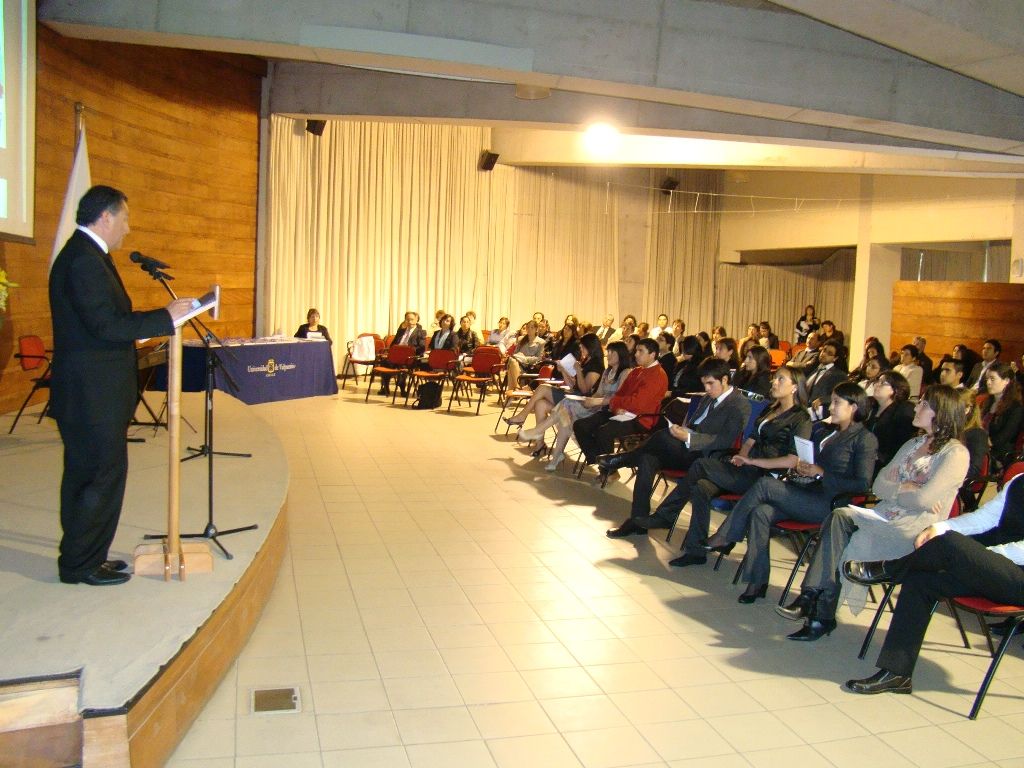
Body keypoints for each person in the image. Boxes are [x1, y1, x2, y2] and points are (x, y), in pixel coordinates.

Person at [49, 185, 191, 586]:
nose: (128, 228)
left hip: (92, 393)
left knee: (89, 476)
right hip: (92, 396)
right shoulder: (83, 261)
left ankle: (86, 555)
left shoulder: (86, 255)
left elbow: (107, 322)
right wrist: (164, 317)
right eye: (124, 218)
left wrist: (154, 322)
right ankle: (81, 564)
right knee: (98, 478)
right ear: (106, 217)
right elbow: (106, 325)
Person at [777, 385, 968, 640]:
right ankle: (814, 603)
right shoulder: (913, 443)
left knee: (842, 537)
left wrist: (899, 488)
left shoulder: (955, 453)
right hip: (882, 515)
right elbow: (878, 485)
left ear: (940, 412)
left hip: (915, 531)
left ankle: (816, 608)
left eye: (923, 404)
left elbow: (925, 500)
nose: (916, 407)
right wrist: (907, 488)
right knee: (839, 517)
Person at [842, 473, 1024, 697]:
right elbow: (983, 519)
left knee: (951, 545)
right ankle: (897, 674)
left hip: (1018, 581)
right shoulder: (1019, 480)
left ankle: (888, 570)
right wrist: (940, 527)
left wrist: (974, 557)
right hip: (994, 571)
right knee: (920, 580)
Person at [702, 383, 878, 601]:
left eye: (836, 403)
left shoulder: (864, 439)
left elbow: (862, 484)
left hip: (828, 503)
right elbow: (813, 464)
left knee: (765, 485)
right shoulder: (826, 431)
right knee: (761, 512)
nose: (830, 407)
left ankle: (725, 535)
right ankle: (757, 582)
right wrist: (804, 467)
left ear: (853, 407)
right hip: (807, 492)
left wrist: (821, 473)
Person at [658, 366, 812, 565]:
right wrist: (742, 456)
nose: (774, 382)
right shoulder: (771, 409)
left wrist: (752, 461)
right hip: (747, 468)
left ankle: (666, 514)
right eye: (775, 378)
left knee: (700, 465)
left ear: (795, 387)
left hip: (765, 477)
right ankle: (695, 552)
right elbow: (750, 440)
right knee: (701, 487)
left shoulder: (801, 418)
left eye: (781, 379)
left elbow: (792, 460)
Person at [603, 357, 751, 536]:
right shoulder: (708, 397)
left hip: (704, 455)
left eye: (710, 383)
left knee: (662, 436)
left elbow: (724, 440)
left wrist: (688, 437)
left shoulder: (739, 404)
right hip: (685, 447)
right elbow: (694, 423)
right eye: (704, 384)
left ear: (725, 379)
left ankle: (624, 459)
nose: (706, 388)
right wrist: (683, 430)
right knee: (647, 459)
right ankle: (637, 521)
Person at [522, 340, 632, 471]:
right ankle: (556, 456)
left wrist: (594, 401)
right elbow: (598, 393)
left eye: (612, 352)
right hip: (596, 405)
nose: (608, 355)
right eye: (608, 352)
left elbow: (618, 397)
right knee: (565, 415)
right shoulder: (607, 372)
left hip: (608, 409)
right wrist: (589, 400)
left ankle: (539, 432)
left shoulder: (625, 372)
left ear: (621, 354)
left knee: (566, 407)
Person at [572, 338, 668, 467]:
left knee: (604, 432)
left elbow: (638, 404)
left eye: (640, 351)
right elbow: (620, 394)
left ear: (652, 354)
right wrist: (616, 408)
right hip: (621, 412)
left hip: (641, 419)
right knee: (580, 425)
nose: (636, 354)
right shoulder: (636, 371)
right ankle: (600, 461)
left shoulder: (658, 375)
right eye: (636, 350)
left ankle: (608, 468)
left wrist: (613, 403)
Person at [512, 332, 604, 436]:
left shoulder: (596, 364)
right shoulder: (586, 361)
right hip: (574, 395)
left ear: (590, 347)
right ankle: (539, 443)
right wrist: (563, 371)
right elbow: (573, 385)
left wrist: (578, 371)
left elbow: (585, 390)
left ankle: (522, 416)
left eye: (583, 347)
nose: (581, 349)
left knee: (542, 388)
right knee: (540, 404)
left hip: (581, 402)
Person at [864, 370, 917, 476]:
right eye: (877, 381)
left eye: (883, 383)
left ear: (896, 389)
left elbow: (902, 444)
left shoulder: (903, 410)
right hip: (867, 459)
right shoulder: (872, 407)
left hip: (886, 464)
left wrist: (879, 456)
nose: (877, 384)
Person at [979, 362, 1023, 469]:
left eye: (992, 379)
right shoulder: (987, 402)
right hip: (981, 447)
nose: (988, 382)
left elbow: (1003, 438)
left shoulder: (1016, 408)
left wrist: (981, 441)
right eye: (987, 379)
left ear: (1006, 381)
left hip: (999, 455)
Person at [378, 311, 426, 396]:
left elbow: (421, 348)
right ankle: (385, 387)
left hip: (410, 357)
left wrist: (408, 350)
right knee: (385, 362)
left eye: (412, 319)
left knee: (403, 365)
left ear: (416, 320)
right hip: (397, 356)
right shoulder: (401, 331)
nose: (409, 321)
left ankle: (402, 389)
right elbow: (393, 345)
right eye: (407, 319)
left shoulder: (421, 332)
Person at [805, 340, 847, 420]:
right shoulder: (814, 369)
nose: (823, 354)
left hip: (820, 411)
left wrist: (823, 400)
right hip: (803, 407)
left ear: (835, 358)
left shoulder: (839, 375)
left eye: (829, 353)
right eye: (824, 350)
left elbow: (841, 395)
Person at [504, 320, 545, 389]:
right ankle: (517, 387)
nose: (529, 329)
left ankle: (514, 389)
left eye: (532, 328)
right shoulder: (521, 339)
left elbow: (539, 358)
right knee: (512, 361)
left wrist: (524, 358)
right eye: (528, 327)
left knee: (511, 364)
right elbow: (515, 353)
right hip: (517, 362)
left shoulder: (541, 342)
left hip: (529, 366)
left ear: (536, 329)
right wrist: (519, 356)